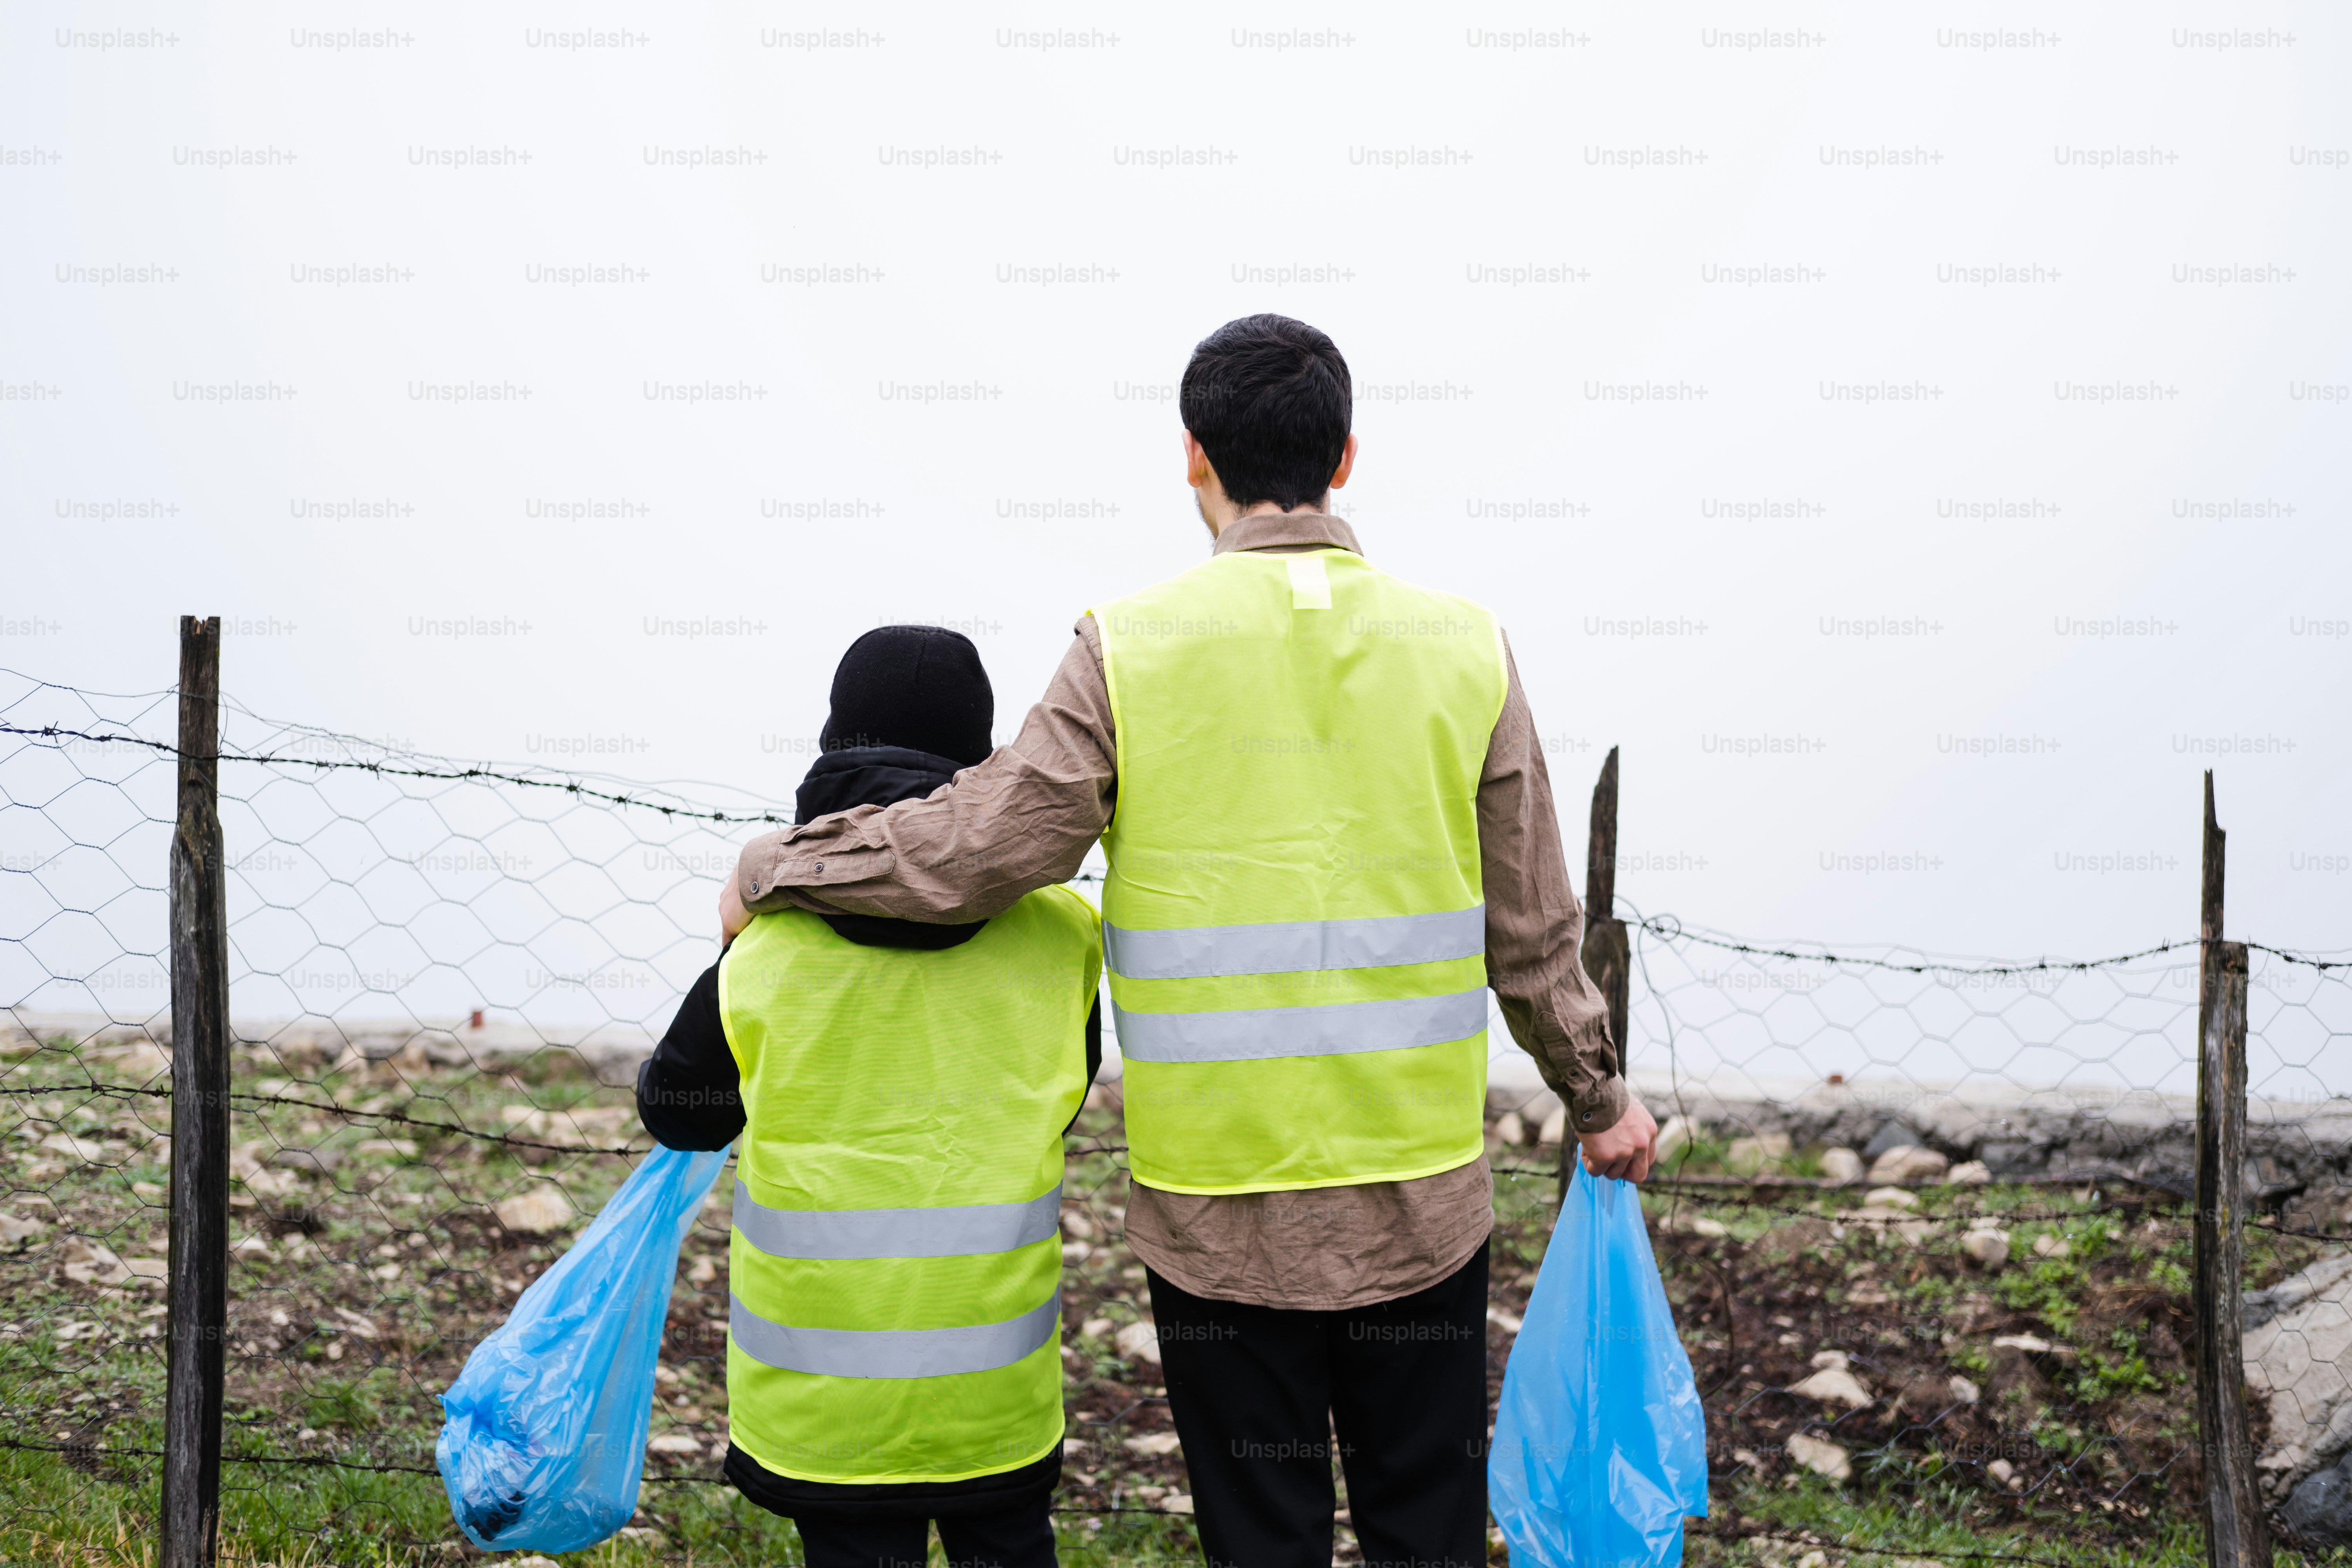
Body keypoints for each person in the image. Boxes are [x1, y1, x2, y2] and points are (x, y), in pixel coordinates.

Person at [719, 314, 1661, 1568]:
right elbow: (1535, 931)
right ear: (1347, 457)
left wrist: (782, 866)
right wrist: (1596, 1100)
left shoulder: (1129, 649)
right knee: (1425, 1525)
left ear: (1192, 456)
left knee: (1261, 1539)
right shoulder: (1465, 647)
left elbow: (978, 855)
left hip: (1217, 1212)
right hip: (1420, 1200)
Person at [637, 624, 1101, 1568]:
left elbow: (679, 1109)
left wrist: (733, 941)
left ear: (831, 745)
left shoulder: (772, 943)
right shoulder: (1063, 934)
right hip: (994, 1396)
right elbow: (1065, 1093)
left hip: (823, 1405)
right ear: (984, 763)